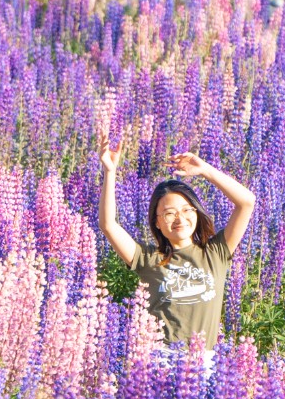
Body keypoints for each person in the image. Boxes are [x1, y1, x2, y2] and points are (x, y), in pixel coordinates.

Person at [97, 139, 257, 347]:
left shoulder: (215, 252)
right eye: (170, 213)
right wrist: (110, 172)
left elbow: (246, 202)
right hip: (161, 362)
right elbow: (108, 225)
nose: (180, 219)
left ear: (197, 213)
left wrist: (205, 170)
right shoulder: (149, 259)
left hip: (203, 365)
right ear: (157, 222)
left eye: (187, 210)